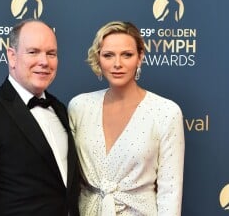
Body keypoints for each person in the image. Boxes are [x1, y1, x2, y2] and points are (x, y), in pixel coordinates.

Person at [0, 19, 80, 216]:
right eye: (33, 52)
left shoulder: (61, 109)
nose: (44, 61)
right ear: (12, 57)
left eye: (51, 53)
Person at [68, 21, 185, 215]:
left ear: (140, 57)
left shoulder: (165, 111)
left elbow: (170, 191)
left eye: (127, 55)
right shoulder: (80, 107)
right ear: (99, 58)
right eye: (108, 55)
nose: (117, 64)